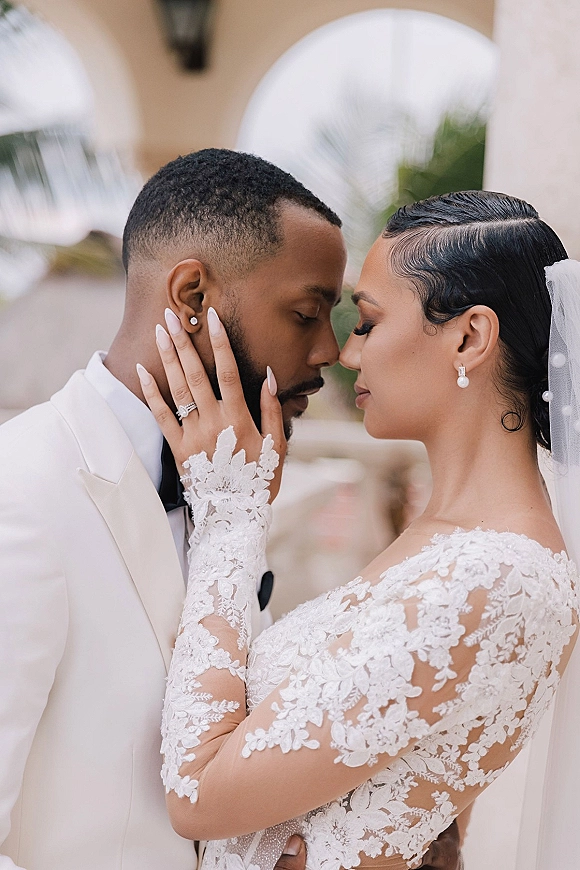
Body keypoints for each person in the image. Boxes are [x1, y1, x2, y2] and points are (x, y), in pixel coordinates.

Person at [0, 149, 459, 870]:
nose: (330, 351)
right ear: (191, 296)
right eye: (307, 313)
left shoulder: (232, 488)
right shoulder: (21, 492)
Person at [137, 189, 580, 869]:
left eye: (369, 323)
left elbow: (198, 795)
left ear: (470, 336)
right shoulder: (447, 540)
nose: (346, 353)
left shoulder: (498, 576)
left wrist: (230, 519)